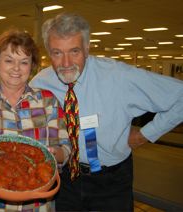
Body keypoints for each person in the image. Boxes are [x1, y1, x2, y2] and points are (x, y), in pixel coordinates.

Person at [28, 13, 183, 211]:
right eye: (57, 53)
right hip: (64, 179)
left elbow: (180, 96)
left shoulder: (119, 76)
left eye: (74, 51)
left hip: (111, 182)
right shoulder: (42, 82)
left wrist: (146, 134)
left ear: (87, 48)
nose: (66, 63)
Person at [0, 29, 70, 211]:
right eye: (9, 60)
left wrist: (55, 154)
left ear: (32, 66)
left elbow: (65, 147)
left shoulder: (48, 102)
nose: (16, 68)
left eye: (24, 62)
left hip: (37, 206)